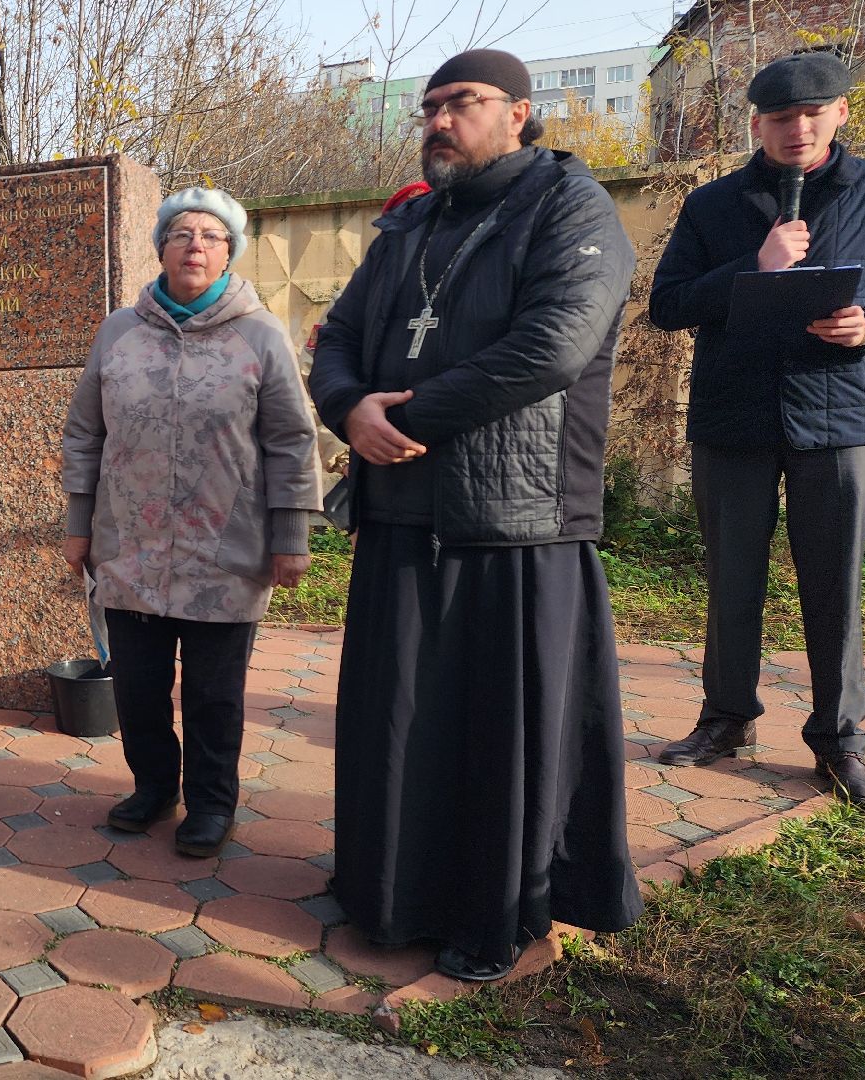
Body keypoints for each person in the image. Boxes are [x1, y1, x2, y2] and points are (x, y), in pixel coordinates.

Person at [307, 49, 643, 981]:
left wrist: (402, 418)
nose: (440, 121)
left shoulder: (571, 208)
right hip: (400, 510)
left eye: (462, 103)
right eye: (429, 108)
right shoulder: (409, 223)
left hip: (516, 517)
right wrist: (349, 409)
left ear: (519, 112)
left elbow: (554, 347)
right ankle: (388, 892)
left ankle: (493, 913)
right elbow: (338, 335)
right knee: (399, 719)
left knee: (498, 733)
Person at [647, 51, 865, 806]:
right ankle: (726, 719)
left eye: (813, 113)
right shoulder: (713, 204)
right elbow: (667, 304)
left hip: (839, 415)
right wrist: (754, 264)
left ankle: (839, 738)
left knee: (835, 581)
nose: (798, 128)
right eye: (781, 117)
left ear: (841, 112)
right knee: (732, 576)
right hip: (733, 415)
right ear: (758, 124)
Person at [62, 187, 322, 858]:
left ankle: (211, 804)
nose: (195, 246)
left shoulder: (260, 334)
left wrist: (291, 535)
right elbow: (84, 434)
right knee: (139, 688)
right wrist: (79, 523)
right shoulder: (119, 332)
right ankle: (154, 788)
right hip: (132, 544)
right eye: (181, 234)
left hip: (226, 546)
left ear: (230, 252)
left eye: (210, 236)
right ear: (161, 250)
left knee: (214, 693)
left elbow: (292, 440)